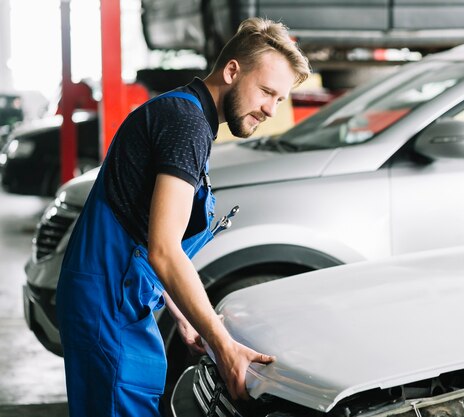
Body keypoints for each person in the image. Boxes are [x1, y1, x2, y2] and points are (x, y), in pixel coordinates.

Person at [56, 17, 310, 417]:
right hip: (109, 304)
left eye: (279, 99)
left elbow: (146, 233)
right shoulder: (186, 123)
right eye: (266, 92)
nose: (270, 110)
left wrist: (185, 316)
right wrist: (224, 345)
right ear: (231, 71)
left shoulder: (184, 113)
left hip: (116, 299)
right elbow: (162, 250)